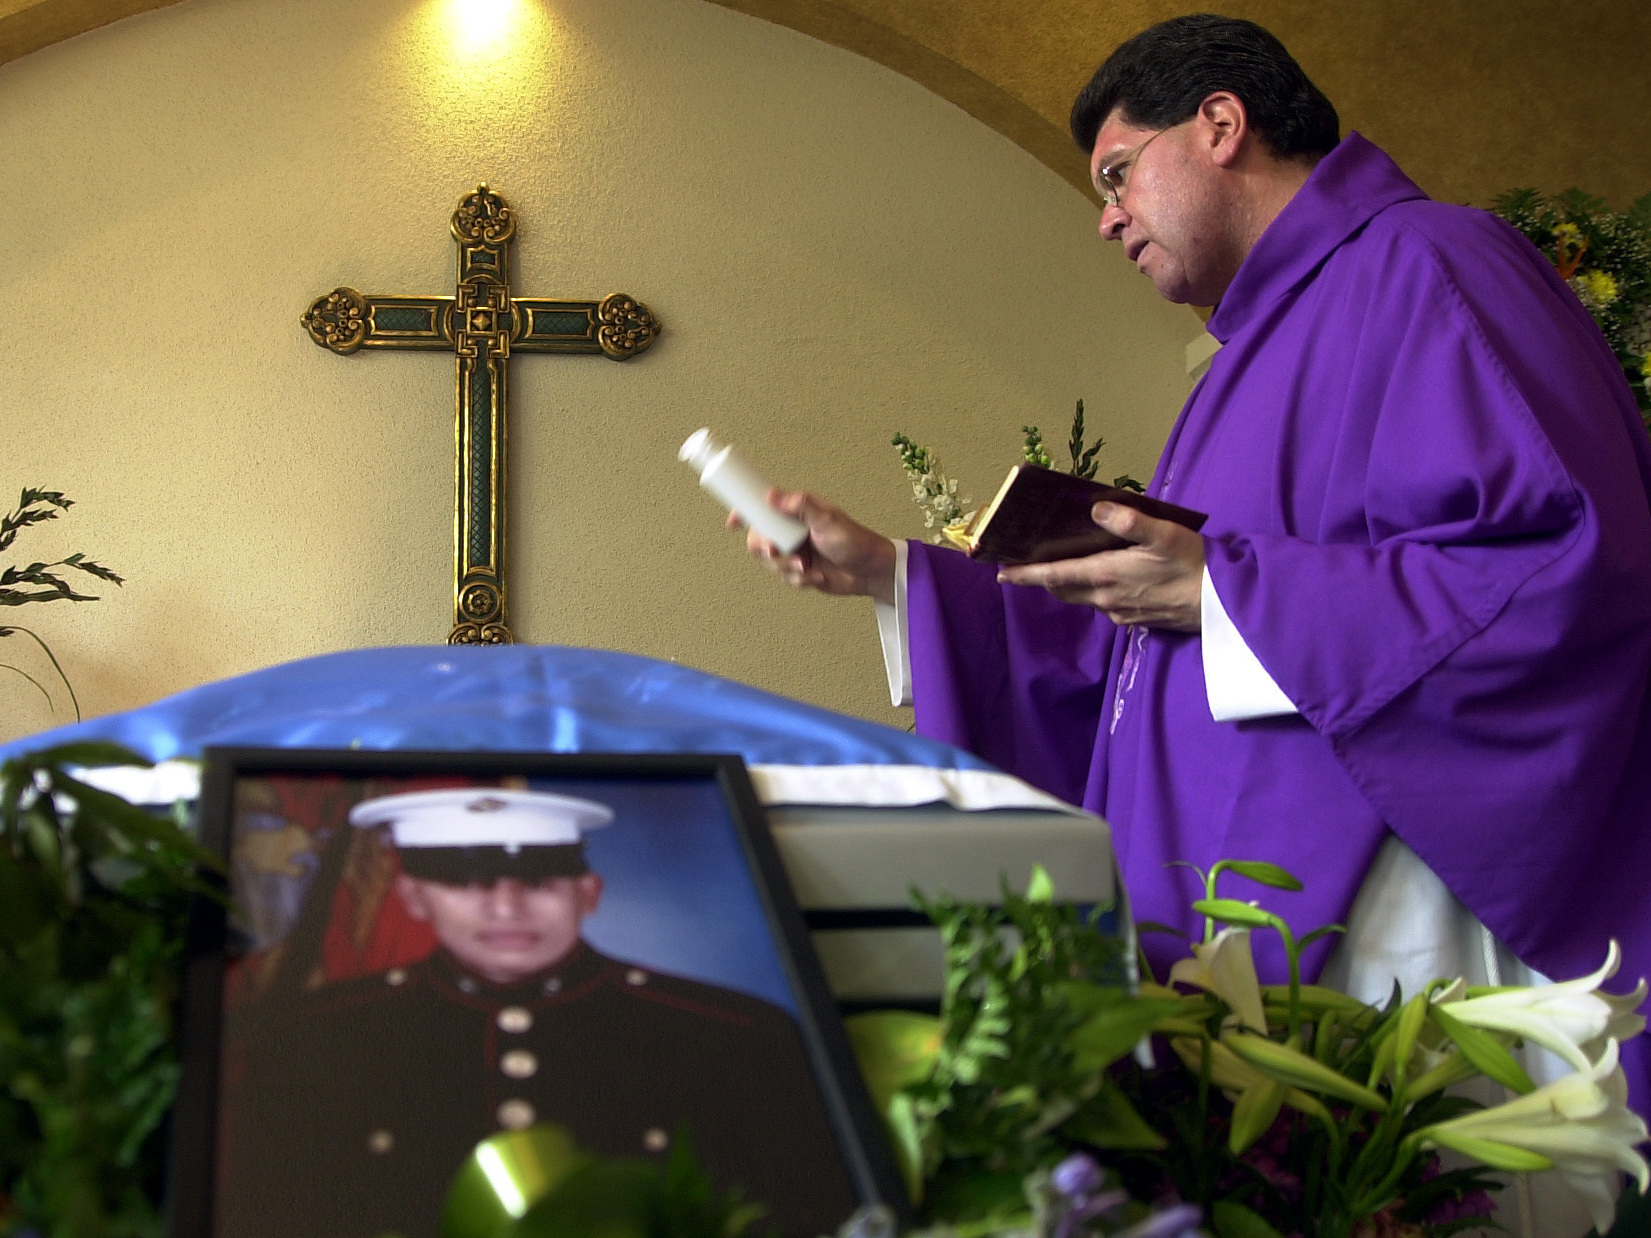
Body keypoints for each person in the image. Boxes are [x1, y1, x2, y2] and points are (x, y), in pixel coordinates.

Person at [739, 13, 1651, 1115]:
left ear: (1220, 124)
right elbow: (1140, 646)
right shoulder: (1238, 364)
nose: (1106, 218)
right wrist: (895, 572)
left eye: (1119, 173)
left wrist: (1227, 590)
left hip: (1387, 904)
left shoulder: (1428, 263)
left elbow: (1571, 563)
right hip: (1238, 922)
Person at [219, 788, 856, 1238]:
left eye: (541, 881)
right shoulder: (314, 1036)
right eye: (467, 881)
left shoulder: (734, 1036)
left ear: (589, 892)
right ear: (412, 896)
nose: (506, 908)